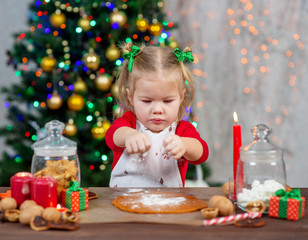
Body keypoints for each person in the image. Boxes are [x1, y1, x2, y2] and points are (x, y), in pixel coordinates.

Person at [105, 43, 209, 187]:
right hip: (123, 202)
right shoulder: (129, 122)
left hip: (169, 205)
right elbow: (112, 136)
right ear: (131, 97)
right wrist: (129, 135)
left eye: (167, 101)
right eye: (147, 101)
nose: (158, 110)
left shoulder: (181, 130)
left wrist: (184, 145)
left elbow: (201, 153)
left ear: (181, 97)